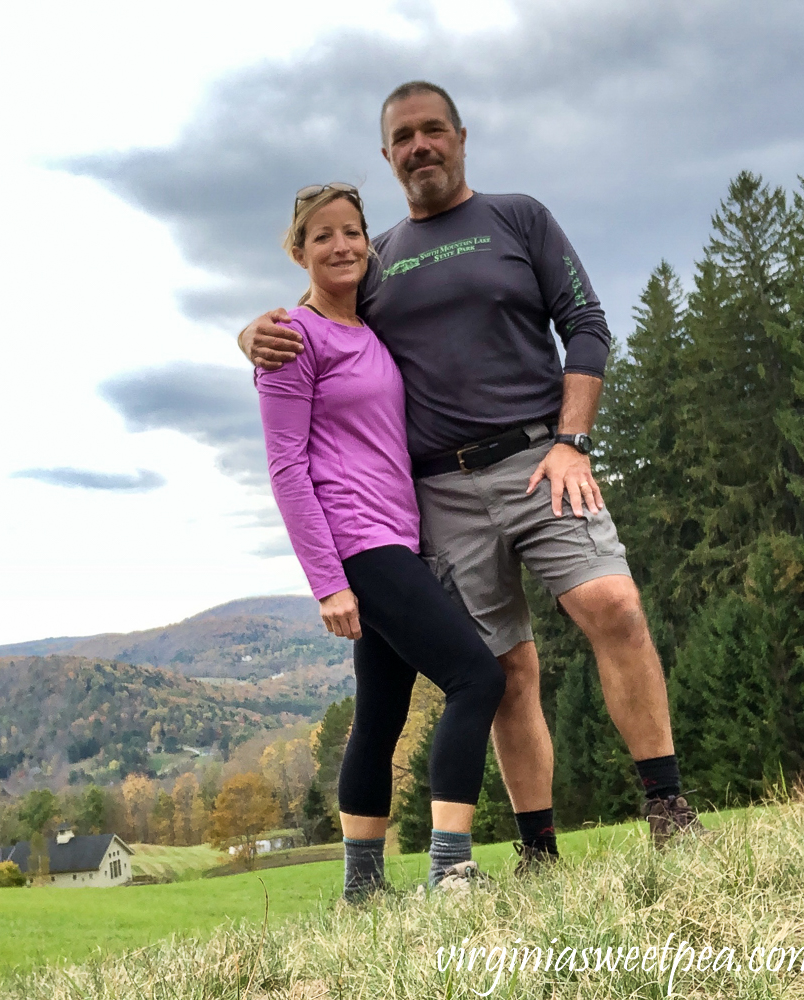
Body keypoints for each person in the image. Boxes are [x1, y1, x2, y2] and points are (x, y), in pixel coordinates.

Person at [241, 81, 705, 857]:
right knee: (505, 670)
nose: (419, 146)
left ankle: (667, 806)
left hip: (543, 458)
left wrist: (572, 440)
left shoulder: (519, 218)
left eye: (432, 130)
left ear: (460, 136)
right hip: (441, 493)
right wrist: (253, 333)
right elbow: (319, 318)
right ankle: (537, 848)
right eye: (402, 137)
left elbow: (587, 326)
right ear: (388, 156)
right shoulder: (377, 255)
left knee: (615, 604)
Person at [255, 182, 506, 899]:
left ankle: (362, 889)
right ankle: (452, 869)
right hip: (361, 545)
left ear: (369, 242)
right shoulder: (291, 338)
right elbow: (286, 468)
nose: (341, 246)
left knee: (381, 715)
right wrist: (328, 581)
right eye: (323, 236)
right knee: (477, 678)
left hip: (397, 535)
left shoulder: (364, 329)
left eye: (352, 232)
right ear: (298, 251)